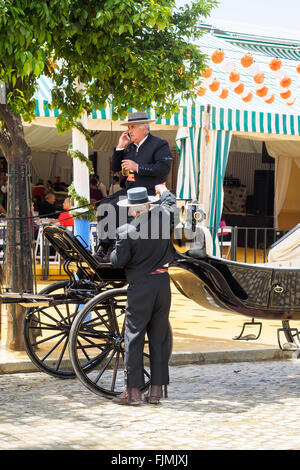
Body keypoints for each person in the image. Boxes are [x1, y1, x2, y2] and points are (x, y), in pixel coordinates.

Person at [110, 184, 176, 406]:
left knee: (134, 337)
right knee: (159, 337)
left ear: (132, 210)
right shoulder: (165, 218)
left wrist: (112, 254)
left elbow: (118, 262)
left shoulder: (126, 231)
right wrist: (163, 190)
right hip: (162, 284)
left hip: (141, 287)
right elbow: (170, 203)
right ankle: (156, 391)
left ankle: (133, 392)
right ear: (148, 206)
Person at [96, 111, 173, 260]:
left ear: (145, 128)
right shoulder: (130, 148)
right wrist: (120, 146)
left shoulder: (159, 144)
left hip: (149, 192)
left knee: (113, 207)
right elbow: (115, 167)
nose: (129, 130)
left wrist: (137, 167)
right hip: (129, 190)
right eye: (129, 127)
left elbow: (163, 168)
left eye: (132, 127)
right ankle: (105, 245)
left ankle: (110, 247)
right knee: (104, 205)